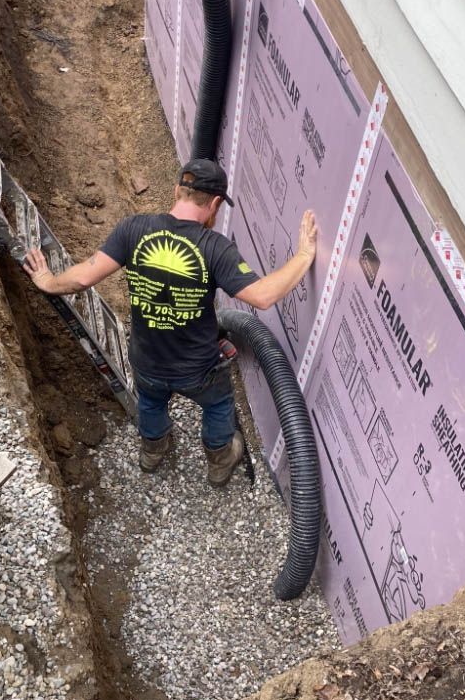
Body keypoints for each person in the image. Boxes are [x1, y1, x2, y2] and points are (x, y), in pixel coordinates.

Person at [24, 158, 317, 487]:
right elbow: (263, 296)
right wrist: (304, 256)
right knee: (219, 403)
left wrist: (48, 280)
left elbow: (83, 277)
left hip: (146, 360)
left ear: (178, 190)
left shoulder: (133, 229)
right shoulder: (215, 248)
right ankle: (220, 460)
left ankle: (153, 450)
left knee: (150, 400)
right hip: (198, 369)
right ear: (216, 203)